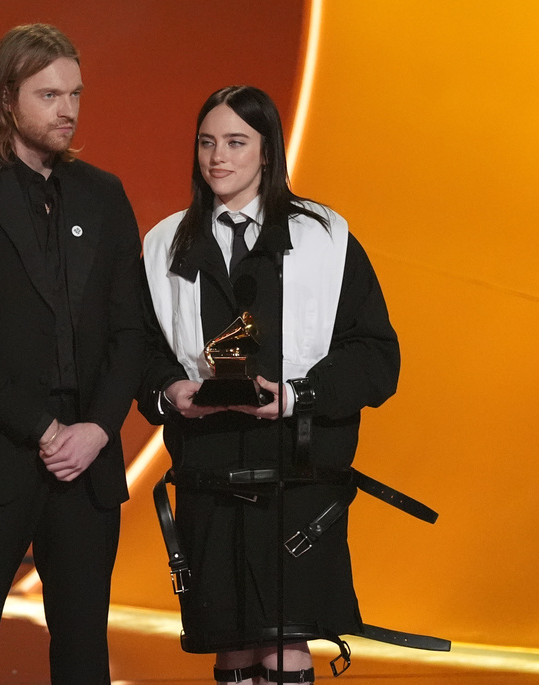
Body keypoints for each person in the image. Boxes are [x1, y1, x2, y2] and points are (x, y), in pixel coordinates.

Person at [138, 85, 406, 684]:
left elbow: (375, 355)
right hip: (207, 474)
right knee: (230, 647)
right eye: (207, 142)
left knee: (283, 648)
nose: (218, 157)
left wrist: (298, 396)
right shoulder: (163, 245)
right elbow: (142, 350)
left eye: (236, 142)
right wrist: (169, 392)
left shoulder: (325, 238)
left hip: (296, 474)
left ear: (267, 151)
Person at [0, 24, 144, 684]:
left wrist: (96, 428)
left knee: (82, 654)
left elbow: (132, 330)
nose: (67, 109)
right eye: (49, 94)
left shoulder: (105, 194)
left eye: (75, 94)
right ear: (7, 97)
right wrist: (45, 430)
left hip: (88, 462)